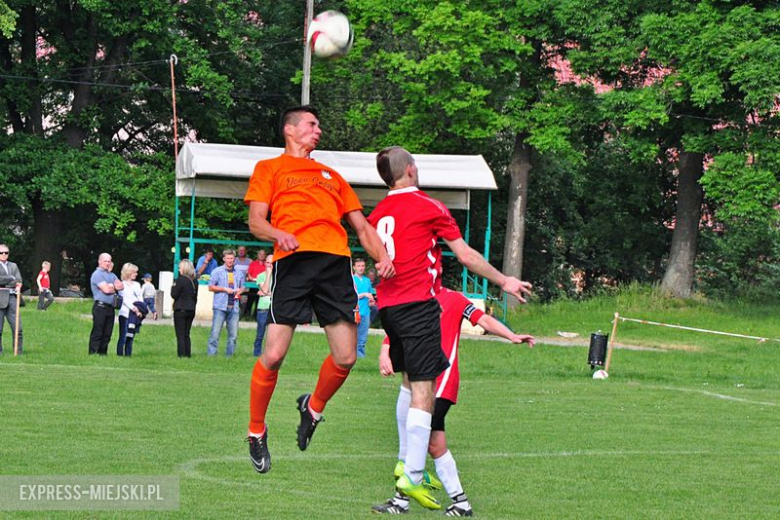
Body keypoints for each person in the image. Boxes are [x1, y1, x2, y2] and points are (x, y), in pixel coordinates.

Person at [367, 146, 531, 511]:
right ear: (410, 170)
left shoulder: (377, 214)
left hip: (389, 308)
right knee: (424, 390)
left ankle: (406, 472)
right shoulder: (428, 206)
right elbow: (466, 255)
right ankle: (411, 472)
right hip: (416, 304)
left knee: (409, 385)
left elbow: (381, 261)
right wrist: (503, 281)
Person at [243, 105, 395, 474]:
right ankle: (256, 431)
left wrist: (381, 257)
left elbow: (362, 227)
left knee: (346, 358)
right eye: (312, 124)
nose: (318, 130)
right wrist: (278, 233)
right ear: (290, 130)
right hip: (292, 262)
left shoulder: (333, 176)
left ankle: (312, 408)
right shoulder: (270, 169)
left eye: (319, 125)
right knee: (274, 355)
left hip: (334, 264)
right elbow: (255, 221)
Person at [373, 287, 535, 515]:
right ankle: (461, 503)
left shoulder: (454, 299)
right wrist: (384, 352)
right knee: (435, 444)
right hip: (419, 382)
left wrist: (512, 335)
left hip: (442, 381)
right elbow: (396, 332)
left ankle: (401, 501)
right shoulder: (414, 298)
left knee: (417, 435)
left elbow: (484, 320)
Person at [207, 249, 245, 357]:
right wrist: (224, 289)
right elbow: (210, 287)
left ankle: (229, 357)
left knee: (233, 336)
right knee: (215, 333)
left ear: (234, 259)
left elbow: (243, 286)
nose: (230, 260)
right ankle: (211, 356)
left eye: (232, 258)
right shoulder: (217, 271)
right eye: (228, 258)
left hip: (234, 306)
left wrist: (240, 290)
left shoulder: (239, 273)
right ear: (224, 259)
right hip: (220, 306)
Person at [88, 253, 124, 355]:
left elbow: (121, 286)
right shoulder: (97, 274)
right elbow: (107, 290)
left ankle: (103, 353)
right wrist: (112, 287)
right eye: (105, 261)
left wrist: (112, 286)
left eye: (109, 261)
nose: (107, 263)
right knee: (98, 331)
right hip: (100, 307)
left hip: (110, 307)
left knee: (107, 333)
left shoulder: (111, 275)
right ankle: (93, 352)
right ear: (99, 261)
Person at [171, 259, 198, 358]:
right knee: (187, 333)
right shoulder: (194, 281)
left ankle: (181, 354)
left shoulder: (180, 280)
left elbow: (174, 294)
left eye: (180, 267)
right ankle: (187, 353)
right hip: (191, 309)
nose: (179, 269)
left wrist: (173, 287)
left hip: (180, 309)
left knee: (180, 334)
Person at [116, 263, 144, 357]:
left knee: (130, 336)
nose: (136, 274)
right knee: (123, 336)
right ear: (129, 272)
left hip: (135, 314)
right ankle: (120, 355)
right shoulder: (122, 284)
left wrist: (140, 309)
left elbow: (140, 298)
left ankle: (128, 355)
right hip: (125, 313)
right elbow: (124, 299)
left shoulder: (137, 285)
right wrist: (133, 308)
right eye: (134, 272)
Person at [0, 244, 23, 354]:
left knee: (17, 327)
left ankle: (18, 351)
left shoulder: (14, 266)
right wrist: (10, 278)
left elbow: (18, 280)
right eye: (1, 253)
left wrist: (12, 282)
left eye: (6, 253)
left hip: (13, 297)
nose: (4, 255)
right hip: (0, 299)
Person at [352, 257, 374, 359]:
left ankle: (360, 359)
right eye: (359, 266)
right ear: (354, 267)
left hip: (365, 312)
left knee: (362, 339)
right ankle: (350, 357)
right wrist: (364, 294)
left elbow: (369, 295)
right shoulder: (351, 279)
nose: (361, 268)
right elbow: (351, 296)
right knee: (352, 337)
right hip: (354, 312)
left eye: (362, 266)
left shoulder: (367, 281)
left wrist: (371, 301)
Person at [253, 254, 273, 357]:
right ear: (265, 263)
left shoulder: (279, 275)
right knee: (260, 333)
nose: (270, 265)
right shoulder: (260, 276)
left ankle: (269, 354)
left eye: (272, 263)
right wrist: (268, 275)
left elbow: (278, 293)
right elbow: (265, 289)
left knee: (272, 335)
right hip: (263, 308)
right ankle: (256, 353)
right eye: (268, 263)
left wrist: (266, 293)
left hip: (274, 308)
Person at [243, 249, 268, 319]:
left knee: (259, 302)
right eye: (260, 254)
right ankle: (246, 316)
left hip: (262, 286)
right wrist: (254, 280)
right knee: (250, 301)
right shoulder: (253, 263)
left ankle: (256, 317)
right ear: (257, 255)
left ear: (265, 256)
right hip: (253, 285)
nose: (262, 256)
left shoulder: (267, 265)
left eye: (263, 254)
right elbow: (248, 274)